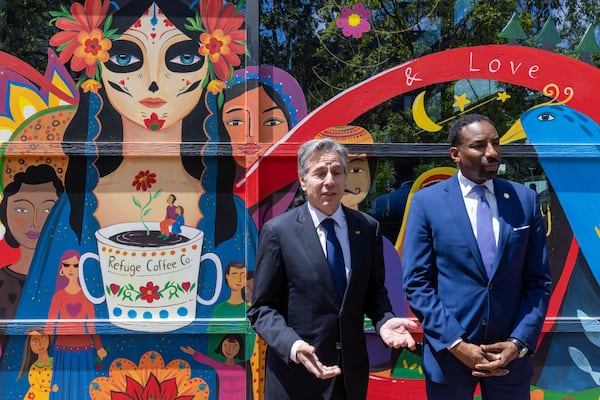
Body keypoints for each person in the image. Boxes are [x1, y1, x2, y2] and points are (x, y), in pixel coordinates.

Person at [247, 138, 417, 399]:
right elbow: (262, 309)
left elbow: (374, 292)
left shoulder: (366, 228)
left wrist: (384, 321)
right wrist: (293, 345)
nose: (329, 181)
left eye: (337, 172)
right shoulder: (279, 232)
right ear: (303, 180)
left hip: (349, 379)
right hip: (296, 378)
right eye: (320, 173)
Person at [401, 114, 552, 399]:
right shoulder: (427, 203)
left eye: (496, 143)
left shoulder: (524, 200)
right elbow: (417, 284)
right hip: (450, 360)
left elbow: (538, 281)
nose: (492, 152)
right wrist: (457, 345)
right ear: (456, 154)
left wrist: (518, 343)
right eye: (479, 146)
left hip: (510, 362)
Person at [0, 164, 64, 355]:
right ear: (5, 213)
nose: (35, 221)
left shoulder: (69, 279)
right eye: (21, 209)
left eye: (47, 210)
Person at [45, 249, 107, 400]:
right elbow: (50, 325)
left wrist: (99, 346)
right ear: (61, 270)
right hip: (63, 349)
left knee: (86, 388)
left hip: (85, 349)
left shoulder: (87, 296)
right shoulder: (58, 296)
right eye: (67, 265)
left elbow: (91, 324)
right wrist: (50, 348)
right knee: (63, 388)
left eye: (75, 265)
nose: (71, 269)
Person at [181, 334, 247, 400]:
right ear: (221, 346)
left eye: (234, 346)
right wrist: (194, 353)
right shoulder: (220, 367)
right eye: (226, 345)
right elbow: (207, 360)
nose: (230, 349)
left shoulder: (241, 369)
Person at [18, 327, 59, 400]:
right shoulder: (34, 367)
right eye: (35, 342)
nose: (40, 344)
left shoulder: (55, 361)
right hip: (38, 396)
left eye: (44, 338)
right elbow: (35, 385)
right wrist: (50, 389)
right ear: (29, 345)